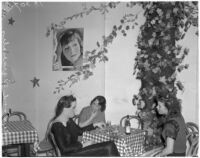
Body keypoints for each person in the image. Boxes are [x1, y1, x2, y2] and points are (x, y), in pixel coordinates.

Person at [49, 95, 119, 156]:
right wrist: (84, 144)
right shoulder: (57, 125)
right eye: (73, 108)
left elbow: (79, 131)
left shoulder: (69, 120)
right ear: (65, 109)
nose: (75, 110)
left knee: (109, 145)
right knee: (109, 146)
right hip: (70, 154)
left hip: (77, 149)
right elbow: (64, 149)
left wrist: (95, 124)